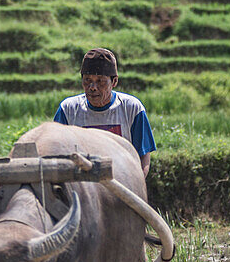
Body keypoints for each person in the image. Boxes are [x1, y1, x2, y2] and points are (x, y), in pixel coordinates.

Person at [53, 47, 155, 178]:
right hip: (82, 188)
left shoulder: (132, 109)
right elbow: (56, 154)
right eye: (87, 80)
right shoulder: (68, 110)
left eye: (100, 81)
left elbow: (143, 156)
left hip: (122, 182)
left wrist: (136, 185)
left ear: (114, 81)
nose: (93, 87)